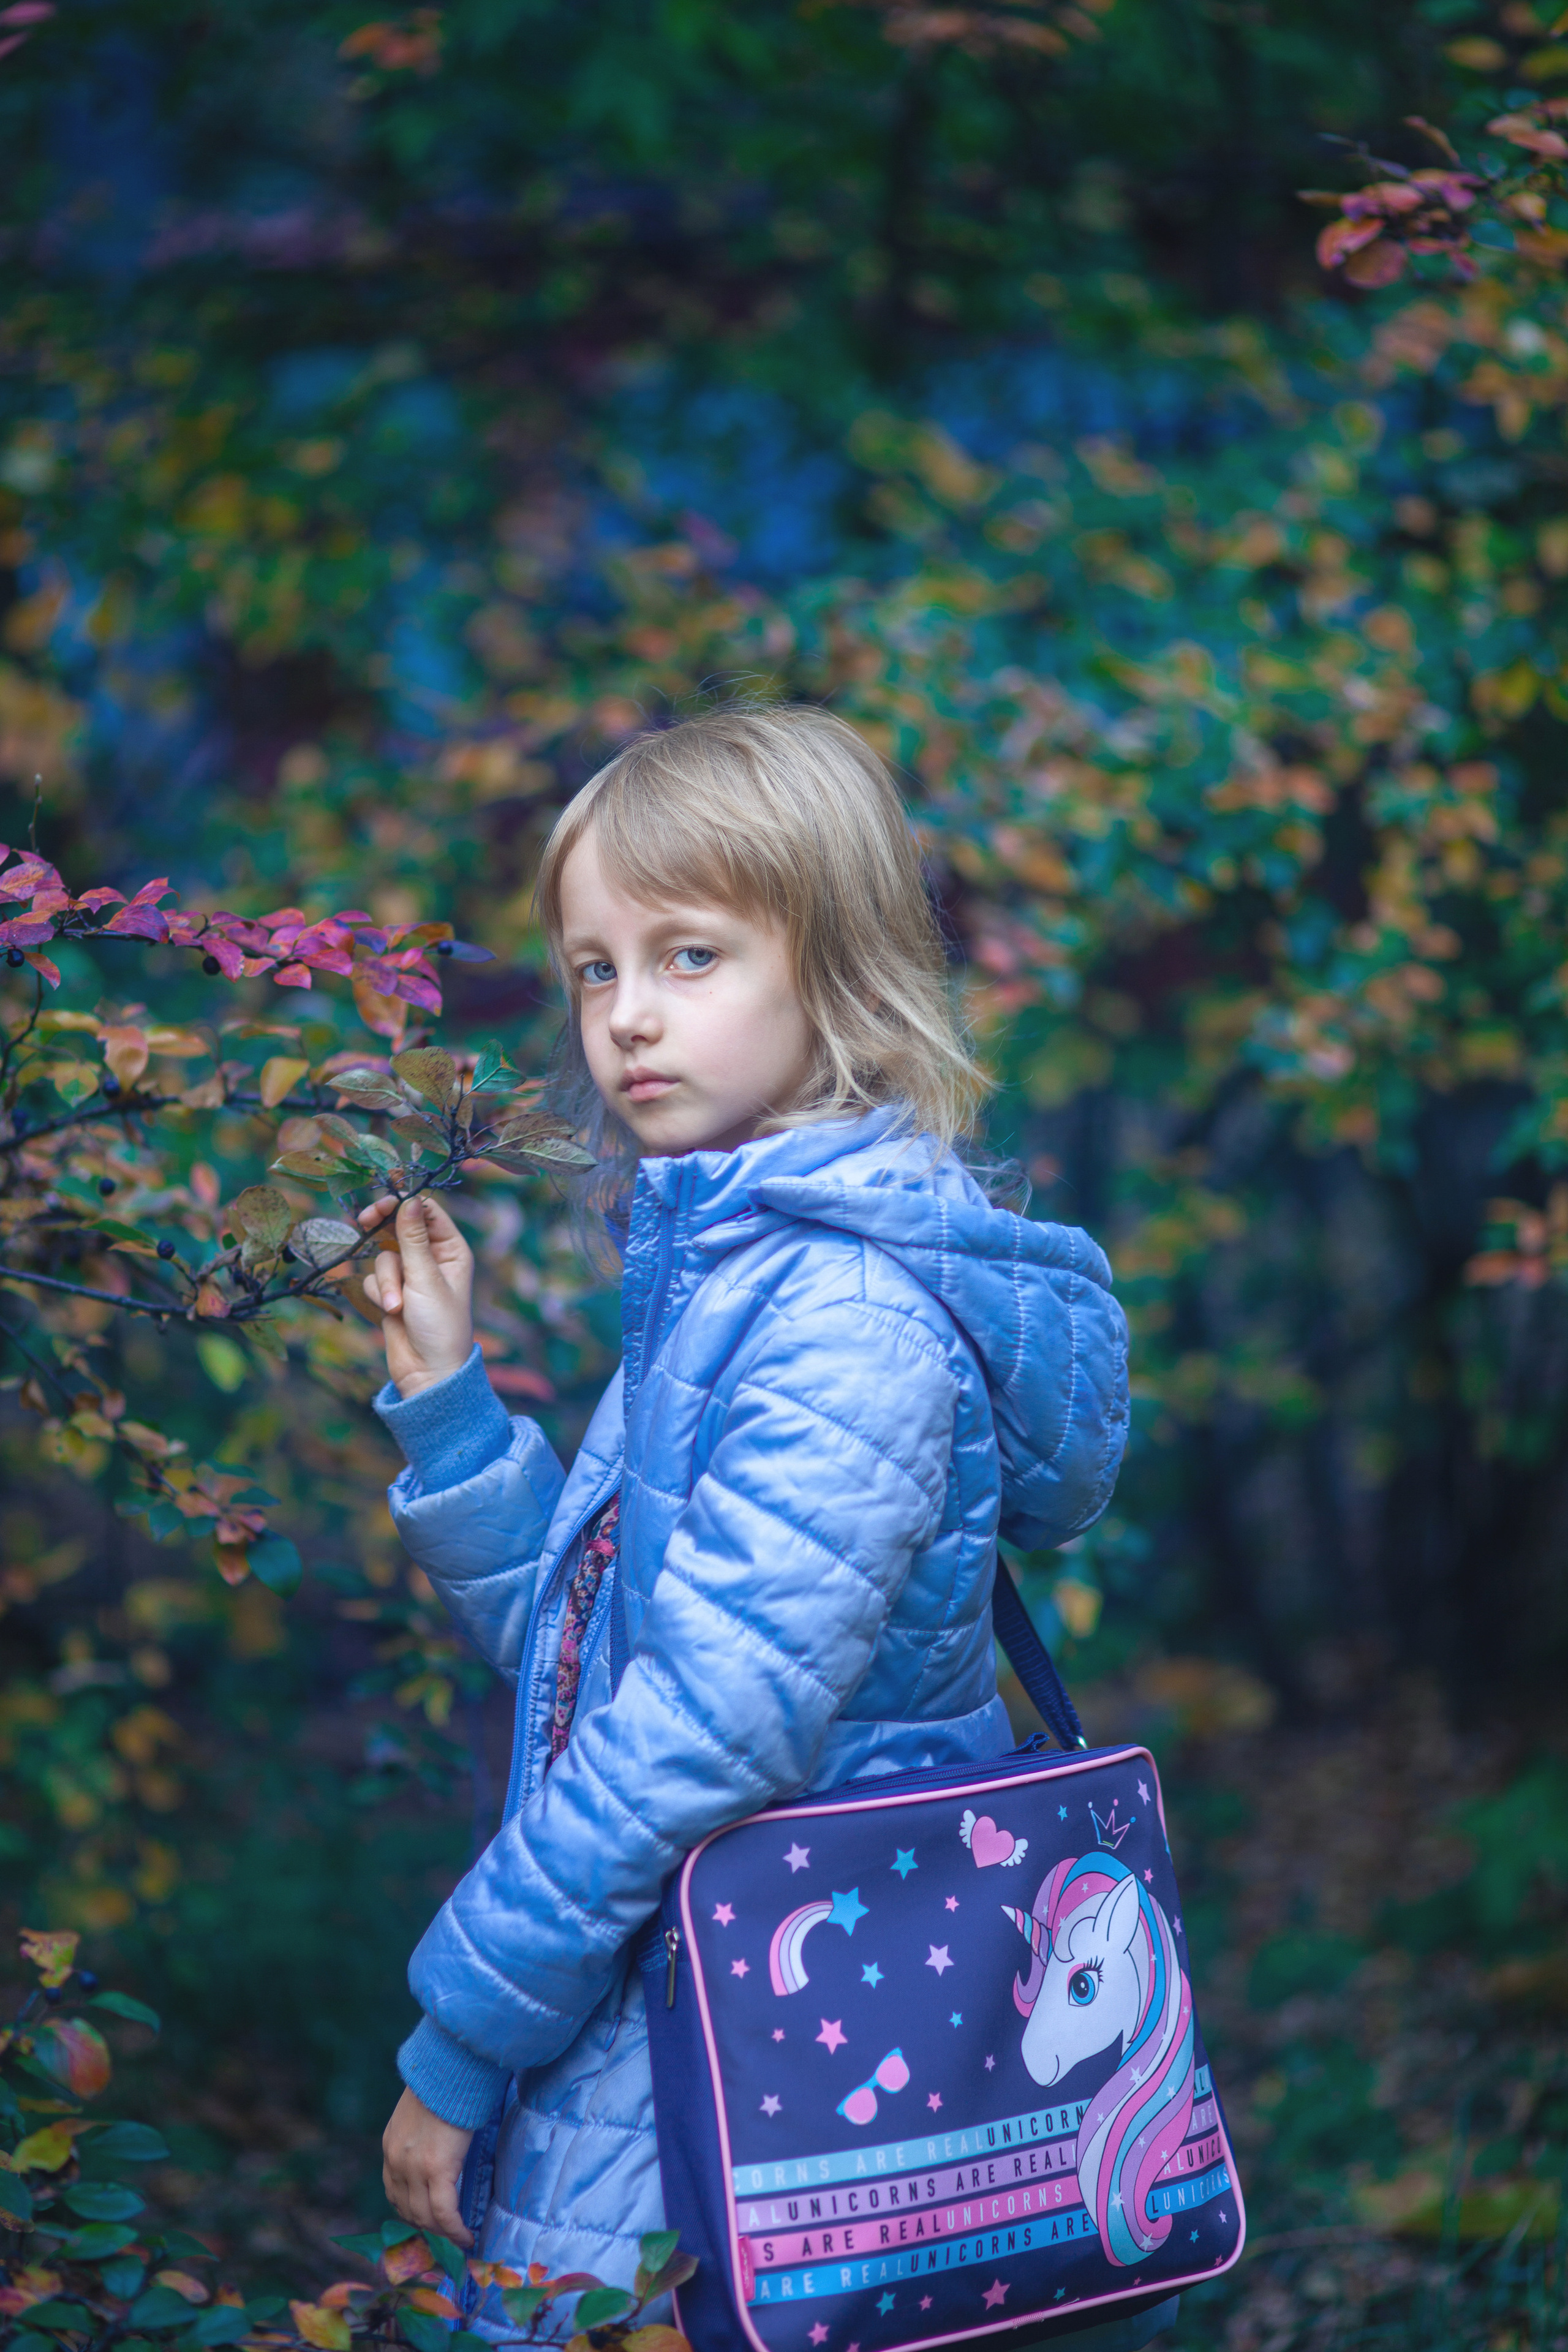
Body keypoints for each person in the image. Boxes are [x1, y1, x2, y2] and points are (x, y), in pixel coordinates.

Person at [359, 705, 1143, 2339]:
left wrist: (464, 2033)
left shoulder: (836, 1315)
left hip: (760, 2031)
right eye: (595, 968)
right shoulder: (731, 1281)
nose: (628, 1018)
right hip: (697, 2016)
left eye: (691, 956)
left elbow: (704, 1731)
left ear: (836, 965)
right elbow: (603, 1672)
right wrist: (451, 1414)